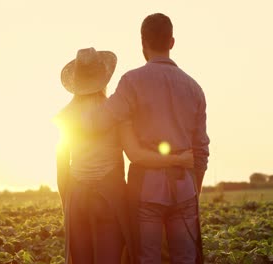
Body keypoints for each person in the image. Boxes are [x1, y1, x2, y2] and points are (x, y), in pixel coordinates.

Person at [80, 13, 210, 264]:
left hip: (145, 192)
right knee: (185, 259)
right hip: (185, 190)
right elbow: (201, 152)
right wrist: (194, 192)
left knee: (147, 259)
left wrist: (80, 104)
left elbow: (96, 123)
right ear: (172, 42)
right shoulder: (194, 88)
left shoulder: (132, 82)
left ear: (142, 43)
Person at [55, 47, 195, 264]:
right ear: (103, 78)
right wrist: (176, 159)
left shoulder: (65, 116)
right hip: (109, 196)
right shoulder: (115, 111)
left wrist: (70, 207)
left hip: (76, 198)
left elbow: (61, 171)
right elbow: (134, 153)